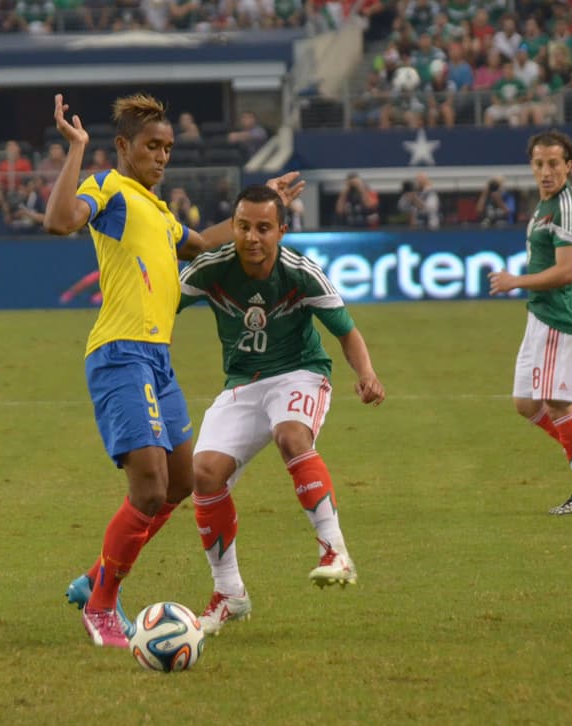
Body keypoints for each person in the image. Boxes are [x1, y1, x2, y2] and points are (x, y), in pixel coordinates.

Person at [42, 92, 302, 648]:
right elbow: (59, 221)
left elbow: (203, 244)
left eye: (167, 148)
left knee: (182, 482)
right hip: (120, 351)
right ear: (123, 147)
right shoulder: (107, 189)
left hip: (157, 358)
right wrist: (77, 150)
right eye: (151, 147)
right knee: (149, 488)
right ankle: (103, 606)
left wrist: (263, 207)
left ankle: (96, 576)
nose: (162, 157)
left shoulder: (158, 211)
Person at [177, 185, 385, 634]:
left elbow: (346, 331)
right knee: (204, 474)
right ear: (232, 228)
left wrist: (366, 373)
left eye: (264, 228)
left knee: (291, 436)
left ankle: (335, 552)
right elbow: (159, 306)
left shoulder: (301, 273)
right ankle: (229, 593)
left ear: (282, 231)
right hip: (242, 385)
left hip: (300, 373)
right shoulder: (212, 269)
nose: (253, 237)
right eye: (244, 227)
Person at [486, 131, 572, 516]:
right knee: (527, 403)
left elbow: (568, 271)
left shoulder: (565, 206)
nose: (545, 171)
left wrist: (515, 282)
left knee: (558, 403)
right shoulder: (545, 205)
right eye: (539, 164)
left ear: (569, 166)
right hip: (540, 316)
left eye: (553, 164)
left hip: (559, 317)